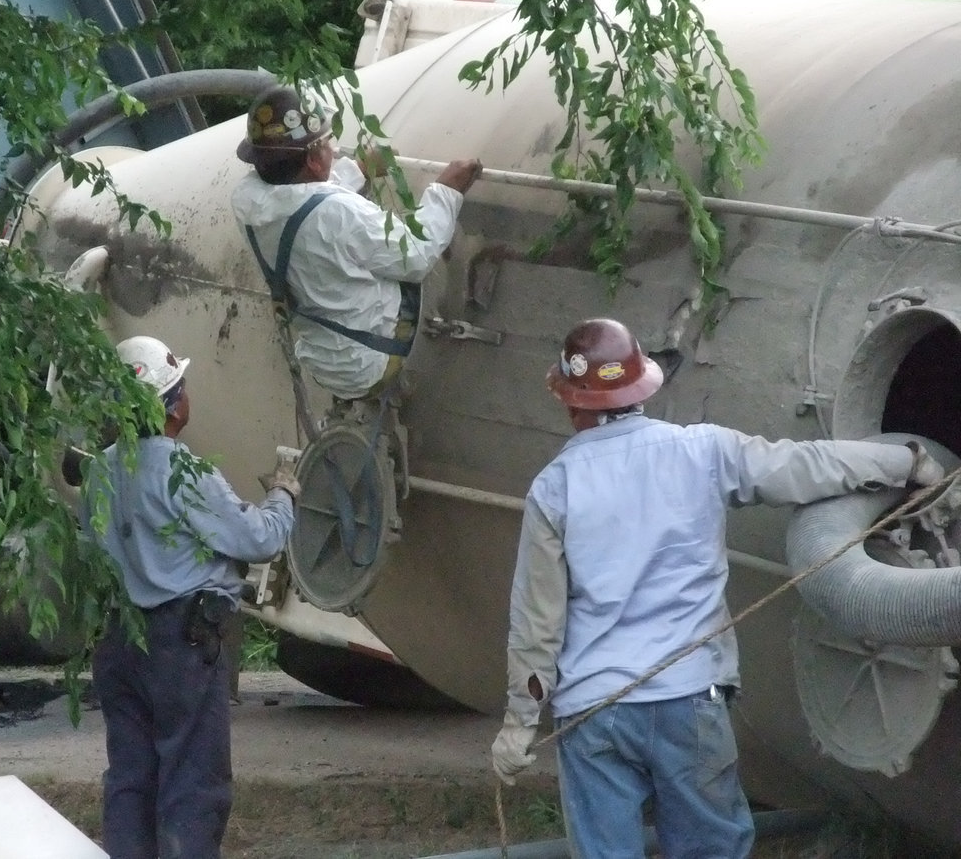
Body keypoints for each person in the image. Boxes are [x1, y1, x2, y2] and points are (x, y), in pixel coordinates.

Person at [490, 317, 946, 858]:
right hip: (689, 700)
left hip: (595, 714)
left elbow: (537, 621)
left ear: (570, 401)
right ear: (644, 389)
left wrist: (519, 724)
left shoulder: (554, 488)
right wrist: (906, 459)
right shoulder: (703, 452)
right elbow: (809, 465)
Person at [83, 334, 300, 859]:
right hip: (182, 643)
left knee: (131, 780)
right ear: (175, 403)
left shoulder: (99, 469)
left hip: (119, 640)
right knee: (192, 782)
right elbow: (259, 538)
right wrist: (284, 493)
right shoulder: (184, 471)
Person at [231, 83, 482, 402]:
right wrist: (447, 190)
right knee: (407, 271)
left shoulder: (246, 200)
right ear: (311, 160)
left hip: (320, 360)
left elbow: (299, 200)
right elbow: (415, 255)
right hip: (370, 360)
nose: (334, 151)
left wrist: (358, 170)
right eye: (326, 143)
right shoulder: (341, 212)